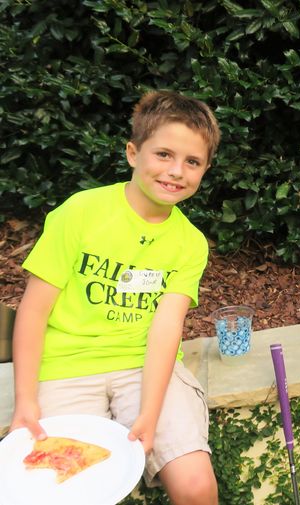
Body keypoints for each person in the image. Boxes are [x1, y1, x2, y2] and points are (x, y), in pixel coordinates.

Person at [11, 90, 221, 504]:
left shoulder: (190, 243)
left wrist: (148, 412)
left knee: (196, 486)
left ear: (205, 169)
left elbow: (166, 330)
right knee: (69, 492)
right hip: (66, 369)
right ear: (132, 153)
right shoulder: (80, 212)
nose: (176, 171)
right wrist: (25, 401)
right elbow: (34, 311)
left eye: (192, 162)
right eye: (163, 154)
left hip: (145, 369)